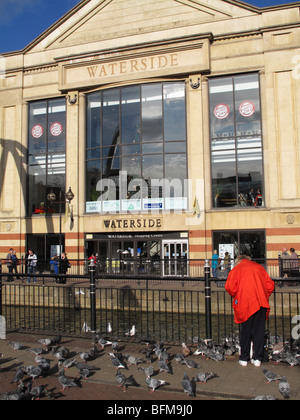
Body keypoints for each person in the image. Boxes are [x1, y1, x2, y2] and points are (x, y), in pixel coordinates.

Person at [225, 255, 274, 367]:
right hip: (261, 303)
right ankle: (257, 358)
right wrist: (263, 294)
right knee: (259, 332)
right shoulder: (259, 268)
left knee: (245, 331)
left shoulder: (237, 269)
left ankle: (244, 358)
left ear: (238, 261)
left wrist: (237, 295)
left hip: (245, 303)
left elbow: (230, 287)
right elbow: (270, 285)